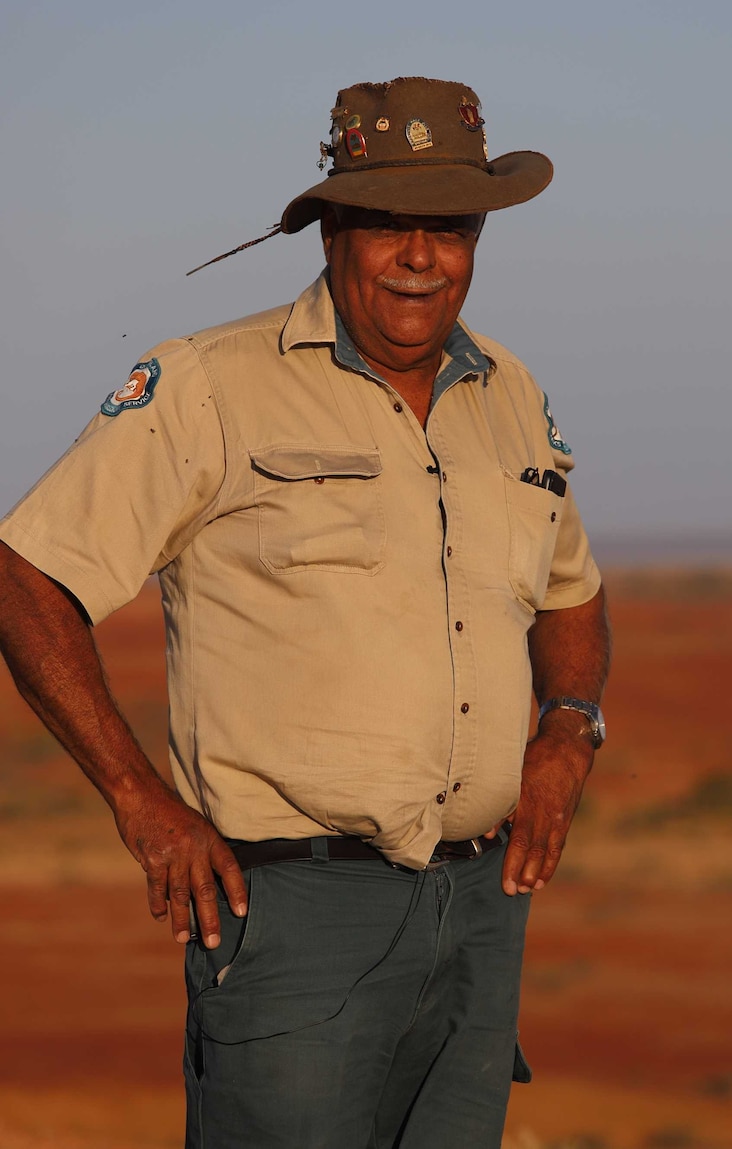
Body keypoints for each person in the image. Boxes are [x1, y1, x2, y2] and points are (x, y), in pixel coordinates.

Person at [0, 77, 610, 1149]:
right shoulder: (205, 385)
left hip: (480, 911)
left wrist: (567, 728)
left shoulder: (510, 390)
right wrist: (141, 803)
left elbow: (572, 591)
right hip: (292, 914)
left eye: (450, 228)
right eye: (387, 226)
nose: (421, 257)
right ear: (331, 230)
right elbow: (27, 573)